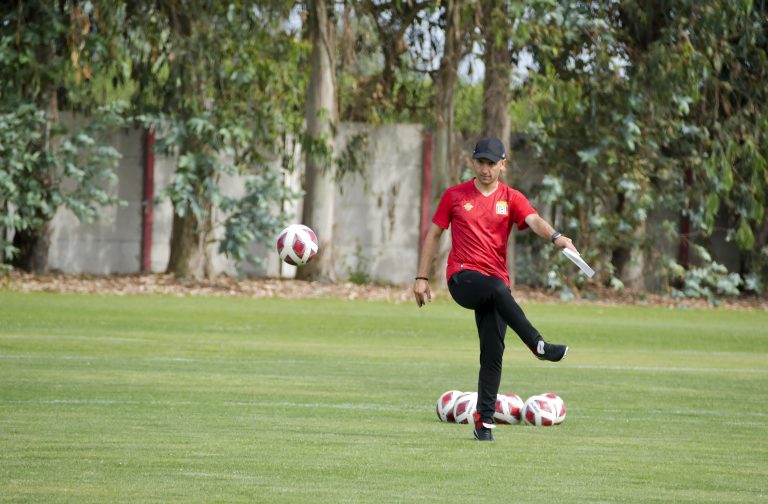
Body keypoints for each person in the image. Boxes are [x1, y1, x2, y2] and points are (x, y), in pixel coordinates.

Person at [413, 136, 578, 442]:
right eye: (480, 162)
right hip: (463, 279)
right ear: (472, 163)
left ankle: (484, 423)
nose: (485, 169)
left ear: (503, 165)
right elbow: (434, 234)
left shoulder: (510, 198)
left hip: (495, 285)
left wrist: (557, 237)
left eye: (491, 163)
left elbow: (534, 219)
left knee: (493, 352)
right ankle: (538, 345)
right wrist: (421, 277)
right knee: (499, 289)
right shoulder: (454, 196)